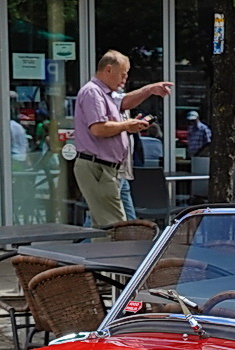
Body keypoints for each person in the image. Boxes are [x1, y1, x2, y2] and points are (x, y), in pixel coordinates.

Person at [72, 51, 170, 228]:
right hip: (99, 167)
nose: (125, 79)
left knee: (110, 225)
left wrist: (149, 89)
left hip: (111, 168)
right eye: (123, 75)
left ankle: (99, 246)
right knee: (114, 227)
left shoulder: (107, 93)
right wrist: (127, 125)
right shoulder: (93, 92)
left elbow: (125, 101)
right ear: (109, 69)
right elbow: (98, 128)